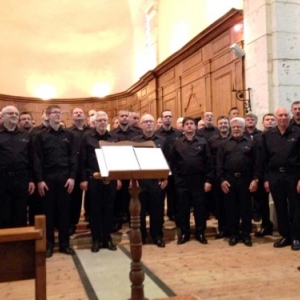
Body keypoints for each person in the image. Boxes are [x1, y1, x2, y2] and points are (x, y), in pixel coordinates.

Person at [34, 105, 77, 258]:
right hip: (48, 177)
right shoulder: (40, 136)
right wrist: (39, 180)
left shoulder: (70, 135)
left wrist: (72, 177)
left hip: (65, 177)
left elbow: (73, 158)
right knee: (49, 212)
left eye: (60, 113)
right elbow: (37, 159)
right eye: (54, 113)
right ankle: (49, 244)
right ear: (47, 115)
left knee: (65, 211)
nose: (58, 115)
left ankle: (65, 244)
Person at [79, 111, 119, 252]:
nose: (102, 122)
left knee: (109, 209)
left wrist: (118, 177)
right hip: (93, 178)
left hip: (110, 178)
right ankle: (96, 239)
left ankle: (107, 238)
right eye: (99, 120)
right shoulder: (87, 138)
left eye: (104, 120)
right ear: (94, 123)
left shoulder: (114, 138)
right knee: (95, 210)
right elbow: (82, 160)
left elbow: (117, 159)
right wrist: (83, 179)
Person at [217, 117, 260, 247]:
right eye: (234, 127)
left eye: (239, 127)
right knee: (231, 209)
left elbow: (257, 163)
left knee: (246, 209)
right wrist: (222, 180)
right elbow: (219, 165)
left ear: (243, 128)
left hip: (246, 180)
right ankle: (234, 234)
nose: (236, 129)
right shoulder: (224, 144)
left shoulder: (251, 143)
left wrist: (255, 179)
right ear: (231, 128)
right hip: (229, 180)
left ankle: (246, 234)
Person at [262, 107, 300, 250]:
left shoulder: (297, 133)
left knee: (296, 207)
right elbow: (264, 160)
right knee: (280, 206)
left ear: (289, 117)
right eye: (280, 115)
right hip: (275, 176)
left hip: (294, 175)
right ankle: (285, 236)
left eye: (285, 115)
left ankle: (296, 237)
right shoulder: (268, 135)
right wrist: (266, 179)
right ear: (276, 117)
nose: (283, 117)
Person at [173, 117, 214, 245]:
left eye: (192, 124)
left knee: (200, 208)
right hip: (182, 181)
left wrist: (208, 180)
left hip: (199, 180)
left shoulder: (203, 142)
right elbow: (173, 163)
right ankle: (185, 233)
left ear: (196, 127)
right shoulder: (177, 143)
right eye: (187, 124)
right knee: (183, 209)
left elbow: (209, 163)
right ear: (183, 127)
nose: (189, 126)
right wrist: (176, 179)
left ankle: (200, 232)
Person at [132, 113, 168, 247]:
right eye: (145, 121)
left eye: (150, 121)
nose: (148, 124)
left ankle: (157, 236)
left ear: (154, 124)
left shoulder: (162, 140)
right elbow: (132, 160)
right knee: (139, 211)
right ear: (141, 124)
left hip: (156, 180)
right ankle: (141, 236)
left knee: (157, 210)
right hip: (139, 180)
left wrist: (165, 177)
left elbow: (168, 160)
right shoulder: (134, 140)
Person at [0, 106, 35, 228]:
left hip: (22, 179)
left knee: (20, 213)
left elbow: (31, 159)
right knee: (3, 214)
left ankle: (20, 246)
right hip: (2, 180)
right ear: (2, 116)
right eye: (10, 113)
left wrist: (31, 179)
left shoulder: (25, 135)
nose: (14, 115)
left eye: (16, 113)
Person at [110, 110, 140, 231]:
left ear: (129, 117)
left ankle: (130, 218)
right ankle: (118, 220)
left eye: (126, 116)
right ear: (118, 117)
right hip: (118, 169)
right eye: (122, 116)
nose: (124, 118)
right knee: (118, 196)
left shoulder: (137, 133)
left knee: (132, 195)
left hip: (133, 168)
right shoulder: (111, 133)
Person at [67, 108, 91, 235]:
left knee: (92, 197)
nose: (78, 114)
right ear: (72, 117)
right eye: (75, 112)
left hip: (90, 168)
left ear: (85, 115)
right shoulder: (68, 132)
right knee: (74, 198)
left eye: (81, 112)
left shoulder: (91, 131)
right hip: (75, 168)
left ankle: (92, 221)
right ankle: (72, 223)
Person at [155, 109, 182, 222]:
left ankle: (173, 213)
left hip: (174, 167)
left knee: (173, 193)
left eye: (170, 116)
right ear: (161, 119)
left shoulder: (178, 133)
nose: (168, 118)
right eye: (165, 116)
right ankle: (159, 216)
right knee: (160, 193)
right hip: (161, 167)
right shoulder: (156, 134)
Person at [253, 113, 276, 237]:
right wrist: (260, 177)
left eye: (272, 120)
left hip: (278, 174)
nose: (270, 122)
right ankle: (266, 225)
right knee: (262, 203)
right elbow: (258, 159)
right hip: (263, 175)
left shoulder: (280, 136)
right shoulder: (257, 138)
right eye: (267, 120)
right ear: (263, 123)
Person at [208, 116, 230, 239]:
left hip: (232, 175)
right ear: (218, 125)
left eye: (225, 123)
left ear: (229, 125)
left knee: (232, 203)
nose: (223, 125)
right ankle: (222, 229)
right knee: (220, 204)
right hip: (218, 176)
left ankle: (233, 227)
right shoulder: (212, 141)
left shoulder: (234, 138)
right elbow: (209, 160)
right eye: (221, 123)